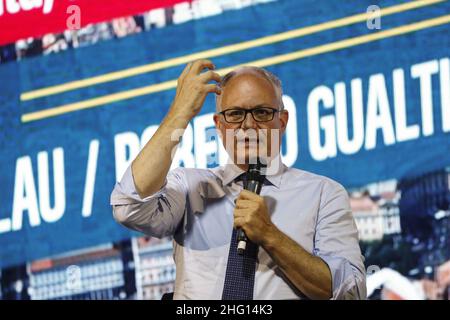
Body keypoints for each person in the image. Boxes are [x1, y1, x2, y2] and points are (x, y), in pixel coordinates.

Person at [110, 59, 366, 300]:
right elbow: (129, 206)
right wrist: (180, 113)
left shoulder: (324, 194)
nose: (248, 125)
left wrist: (271, 236)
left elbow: (350, 291)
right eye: (234, 115)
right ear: (219, 125)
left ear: (282, 121)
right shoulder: (190, 187)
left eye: (262, 113)